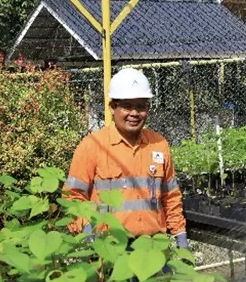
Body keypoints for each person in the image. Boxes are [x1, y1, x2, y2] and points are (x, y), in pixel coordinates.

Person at [63, 68, 188, 248]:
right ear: (113, 107)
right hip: (108, 246)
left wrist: (180, 236)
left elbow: (170, 197)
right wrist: (87, 231)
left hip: (152, 246)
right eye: (127, 106)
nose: (134, 113)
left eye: (141, 106)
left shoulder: (159, 144)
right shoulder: (92, 146)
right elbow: (72, 197)